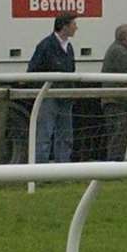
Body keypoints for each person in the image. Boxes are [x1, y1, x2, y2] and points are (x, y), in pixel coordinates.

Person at [27, 13, 79, 162]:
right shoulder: (46, 46)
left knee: (65, 135)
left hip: (65, 96)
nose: (76, 28)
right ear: (64, 26)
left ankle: (62, 169)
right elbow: (32, 71)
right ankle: (40, 171)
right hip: (49, 96)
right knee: (44, 134)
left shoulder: (68, 47)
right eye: (73, 24)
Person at [98, 24, 127, 161]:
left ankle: (116, 166)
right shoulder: (119, 52)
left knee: (118, 135)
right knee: (118, 135)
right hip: (115, 101)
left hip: (116, 100)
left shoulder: (120, 50)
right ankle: (115, 166)